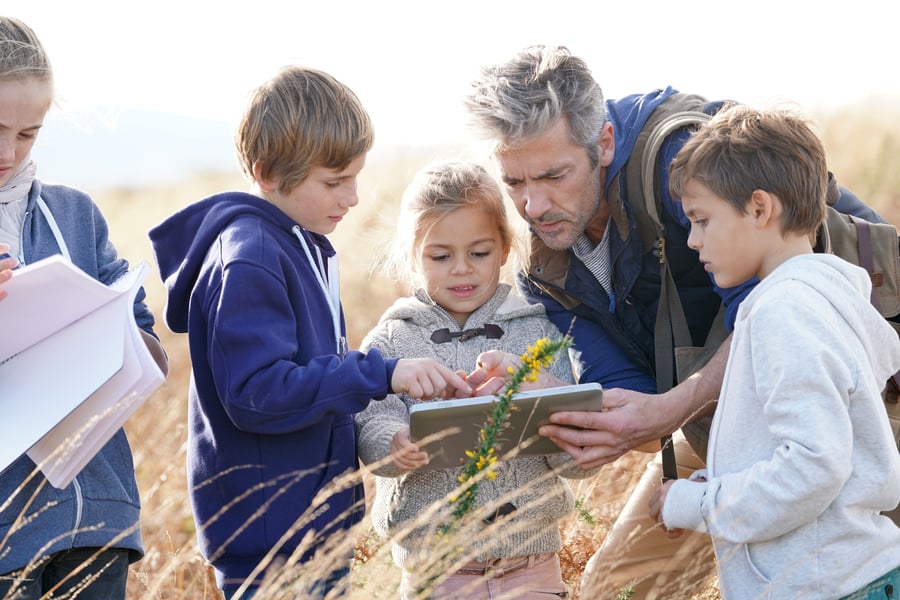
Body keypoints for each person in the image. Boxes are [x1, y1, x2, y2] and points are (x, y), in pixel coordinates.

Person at [462, 44, 888, 598]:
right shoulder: (543, 260)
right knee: (618, 586)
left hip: (847, 406)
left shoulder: (688, 168)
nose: (533, 206)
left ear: (604, 143)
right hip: (724, 420)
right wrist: (564, 406)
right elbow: (638, 409)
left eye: (553, 175)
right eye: (514, 183)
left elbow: (775, 314)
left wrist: (672, 409)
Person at [148, 67, 471, 599]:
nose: (352, 197)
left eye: (354, 178)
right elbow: (259, 394)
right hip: (273, 543)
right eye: (334, 181)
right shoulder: (250, 257)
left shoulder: (297, 244)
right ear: (268, 172)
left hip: (311, 534)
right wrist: (383, 373)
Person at [647, 104, 900, 599]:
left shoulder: (783, 311)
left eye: (701, 220)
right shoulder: (825, 296)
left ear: (760, 209)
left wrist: (693, 505)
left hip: (827, 584)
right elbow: (813, 443)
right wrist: (710, 482)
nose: (693, 241)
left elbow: (812, 466)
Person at [355, 159, 596, 599]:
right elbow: (371, 422)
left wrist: (560, 421)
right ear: (412, 256)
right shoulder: (391, 339)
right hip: (437, 570)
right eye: (440, 256)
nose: (461, 268)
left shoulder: (538, 332)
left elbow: (575, 458)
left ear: (505, 249)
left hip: (531, 565)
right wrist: (394, 443)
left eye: (479, 253)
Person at [0, 16, 169, 600]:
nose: (9, 151)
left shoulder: (75, 214)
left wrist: (106, 334)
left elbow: (149, 344)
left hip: (98, 514)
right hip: (7, 532)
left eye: (28, 134)